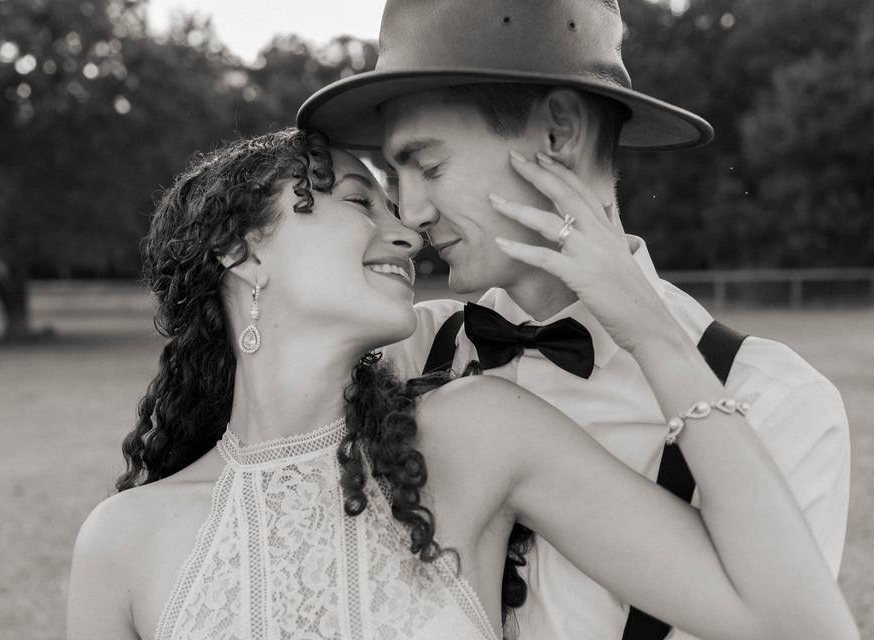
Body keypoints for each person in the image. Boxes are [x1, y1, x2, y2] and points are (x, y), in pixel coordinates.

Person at [66, 129, 857, 640]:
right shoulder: (120, 541)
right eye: (355, 200)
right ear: (242, 252)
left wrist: (647, 325)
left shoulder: (477, 431)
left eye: (419, 175)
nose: (409, 229)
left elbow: (798, 625)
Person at [296, 0, 852, 638]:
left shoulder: (776, 401)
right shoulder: (402, 353)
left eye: (429, 165)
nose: (411, 213)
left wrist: (655, 340)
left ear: (557, 134)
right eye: (394, 177)